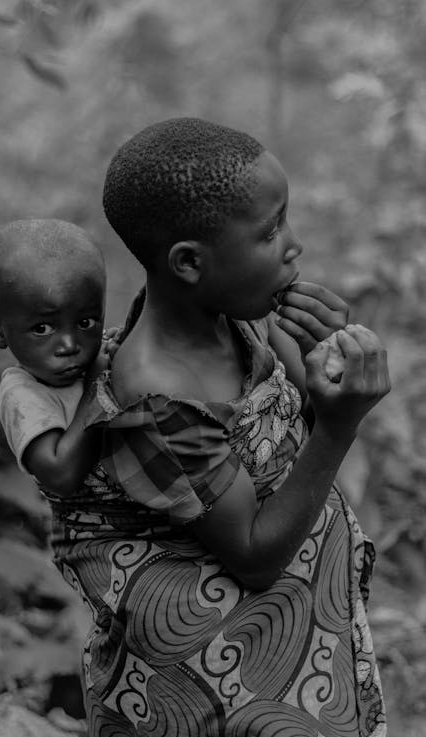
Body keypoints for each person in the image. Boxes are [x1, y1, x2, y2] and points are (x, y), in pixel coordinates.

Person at [51, 118, 389, 736]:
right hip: (217, 695)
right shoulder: (159, 398)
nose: (295, 246)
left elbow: (284, 446)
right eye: (270, 231)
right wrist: (337, 427)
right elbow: (256, 557)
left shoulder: (230, 322)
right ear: (189, 263)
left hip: (288, 669)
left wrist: (321, 387)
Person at [0, 218, 111, 497]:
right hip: (92, 531)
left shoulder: (97, 359)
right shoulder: (23, 394)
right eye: (42, 329)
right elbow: (59, 474)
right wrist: (97, 389)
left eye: (86, 322)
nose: (69, 345)